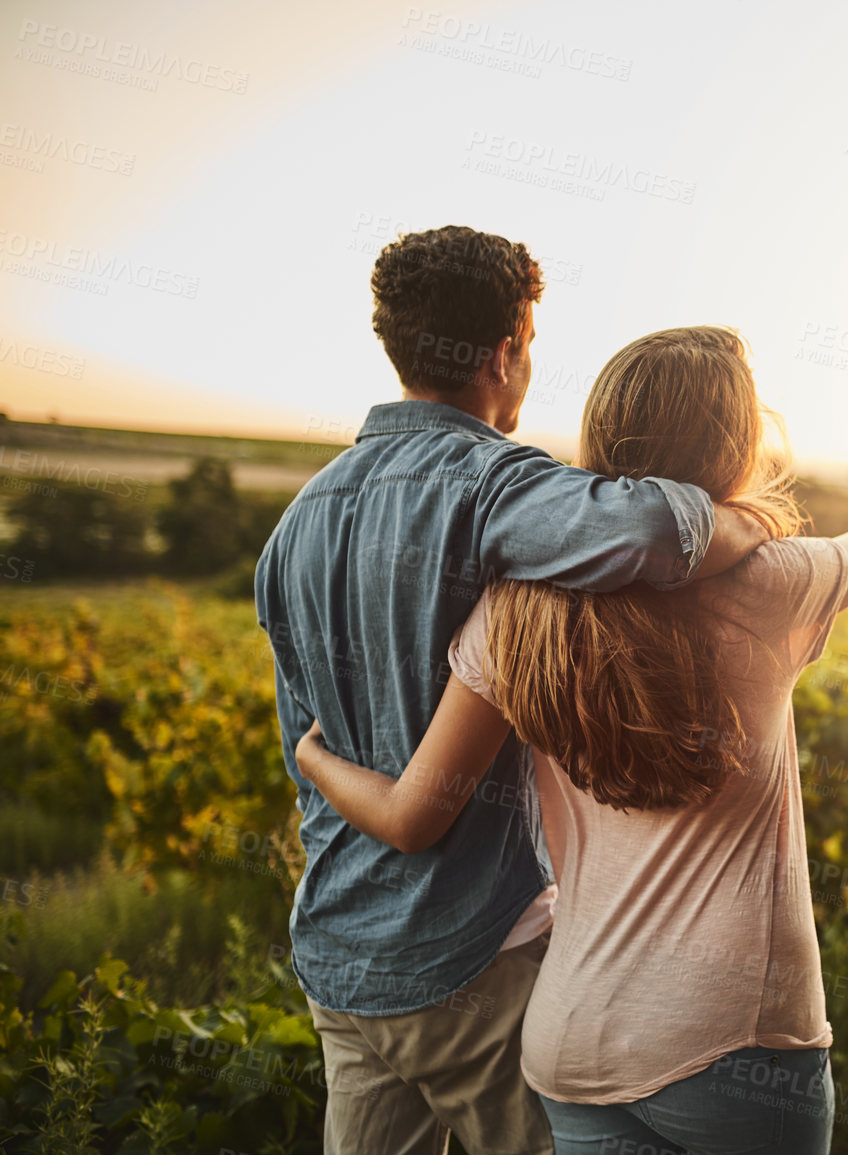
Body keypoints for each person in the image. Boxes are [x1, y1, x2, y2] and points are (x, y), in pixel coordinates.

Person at [292, 324, 848, 1155]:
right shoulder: (771, 585)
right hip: (734, 1041)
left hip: (570, 1042)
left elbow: (413, 808)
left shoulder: (514, 611)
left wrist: (312, 754)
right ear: (733, 445)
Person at [255, 232, 770, 1155]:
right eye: (526, 344)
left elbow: (313, 740)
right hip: (470, 958)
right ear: (504, 350)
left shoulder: (296, 525)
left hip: (338, 962)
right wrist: (746, 521)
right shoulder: (490, 484)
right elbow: (660, 526)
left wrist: (317, 760)